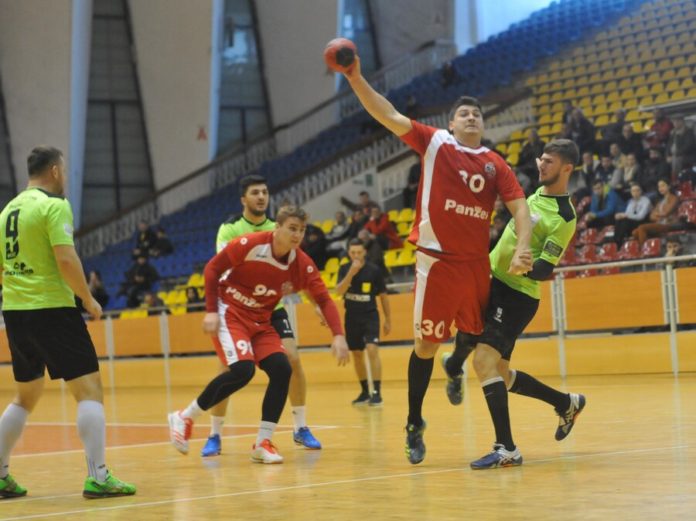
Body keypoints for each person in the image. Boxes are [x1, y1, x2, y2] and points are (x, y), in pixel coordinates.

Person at [340, 55, 532, 465]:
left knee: (475, 334)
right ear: (451, 123)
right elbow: (387, 113)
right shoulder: (435, 143)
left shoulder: (495, 162)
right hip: (437, 263)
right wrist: (355, 77)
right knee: (427, 345)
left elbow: (520, 207)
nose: (472, 117)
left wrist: (523, 245)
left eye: (477, 114)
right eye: (464, 113)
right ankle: (414, 423)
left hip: (475, 265)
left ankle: (456, 366)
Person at [440, 139, 585, 469]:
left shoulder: (565, 216)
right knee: (500, 374)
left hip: (517, 296)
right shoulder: (534, 195)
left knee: (483, 363)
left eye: (549, 161)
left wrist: (526, 265)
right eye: (541, 159)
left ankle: (506, 449)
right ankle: (566, 403)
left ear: (567, 168)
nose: (541, 165)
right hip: (491, 280)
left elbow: (545, 269)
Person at [0, 146, 135, 499]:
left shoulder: (7, 211)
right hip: (53, 309)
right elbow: (65, 258)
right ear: (56, 171)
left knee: (25, 396)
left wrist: (19, 292)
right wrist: (87, 299)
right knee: (89, 390)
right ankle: (98, 477)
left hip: (15, 312)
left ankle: (0, 476)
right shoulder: (53, 205)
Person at [167, 206, 349, 463]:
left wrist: (338, 335)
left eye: (301, 230)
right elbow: (212, 269)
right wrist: (211, 312)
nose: (297, 235)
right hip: (231, 312)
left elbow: (324, 299)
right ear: (277, 228)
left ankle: (263, 442)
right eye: (292, 228)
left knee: (282, 369)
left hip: (261, 320)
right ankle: (185, 416)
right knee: (243, 370)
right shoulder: (251, 244)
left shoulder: (302, 264)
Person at [200, 175, 325, 457]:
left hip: (271, 308)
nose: (261, 197)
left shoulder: (279, 228)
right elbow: (223, 269)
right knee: (229, 367)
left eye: (265, 192)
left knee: (292, 359)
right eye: (255, 192)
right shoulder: (231, 229)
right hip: (239, 306)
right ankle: (215, 433)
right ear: (243, 199)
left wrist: (315, 302)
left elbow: (298, 269)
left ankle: (300, 427)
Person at [335, 238, 391, 407]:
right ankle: (365, 391)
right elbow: (338, 292)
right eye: (353, 253)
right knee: (357, 354)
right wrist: (351, 273)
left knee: (372, 350)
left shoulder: (374, 270)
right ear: (349, 253)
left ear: (364, 252)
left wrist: (388, 319)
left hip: (370, 316)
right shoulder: (344, 269)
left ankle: (377, 393)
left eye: (359, 252)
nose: (356, 255)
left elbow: (383, 296)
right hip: (352, 317)